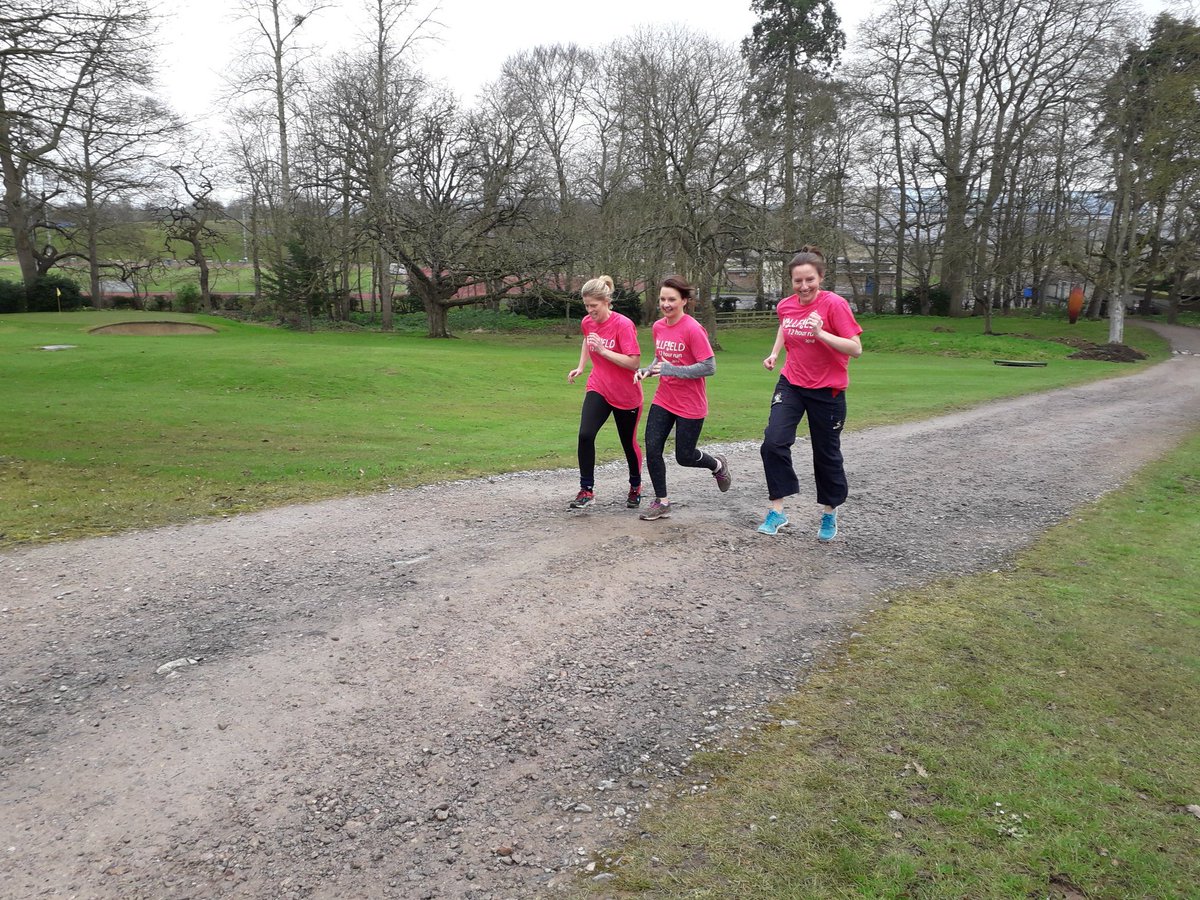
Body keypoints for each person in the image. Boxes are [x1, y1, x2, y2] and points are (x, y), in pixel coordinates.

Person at [758, 246, 863, 539]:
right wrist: (774, 353)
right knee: (773, 442)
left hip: (827, 390)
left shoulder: (835, 305)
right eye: (798, 281)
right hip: (792, 383)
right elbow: (785, 325)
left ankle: (829, 514)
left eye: (809, 280)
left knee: (826, 453)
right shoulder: (786, 305)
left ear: (821, 277)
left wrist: (821, 334)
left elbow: (856, 348)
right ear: (791, 281)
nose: (803, 287)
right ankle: (777, 511)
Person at [635, 276, 731, 521]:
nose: (666, 304)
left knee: (684, 456)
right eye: (663, 299)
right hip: (664, 398)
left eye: (672, 300)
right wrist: (648, 370)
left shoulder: (692, 329)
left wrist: (672, 370)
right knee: (652, 447)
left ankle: (717, 465)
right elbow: (660, 358)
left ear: (684, 301)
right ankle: (662, 501)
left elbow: (709, 367)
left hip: (690, 403)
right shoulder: (658, 326)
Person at [567, 275, 644, 509]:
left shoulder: (623, 324)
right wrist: (581, 366)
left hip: (626, 393)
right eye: (586, 306)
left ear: (607, 301)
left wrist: (603, 350)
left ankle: (635, 486)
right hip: (598, 386)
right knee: (585, 435)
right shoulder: (587, 322)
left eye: (594, 306)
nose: (590, 311)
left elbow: (634, 363)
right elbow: (586, 340)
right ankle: (586, 490)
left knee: (627, 443)